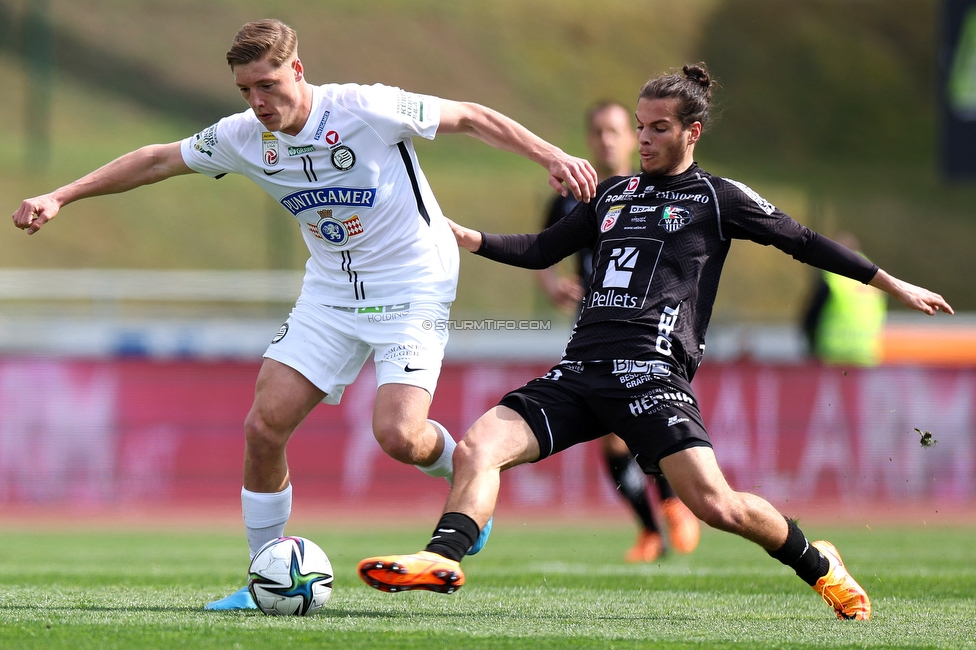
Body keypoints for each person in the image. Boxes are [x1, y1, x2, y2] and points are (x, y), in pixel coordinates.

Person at [11, 19, 597, 610]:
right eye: (245, 91)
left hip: (415, 283)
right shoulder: (243, 136)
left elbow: (469, 115)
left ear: (297, 69)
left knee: (398, 435)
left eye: (267, 85)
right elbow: (157, 160)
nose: (258, 102)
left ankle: (463, 473)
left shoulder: (366, 107)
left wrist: (550, 154)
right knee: (263, 427)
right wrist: (61, 195)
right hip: (331, 293)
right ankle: (262, 574)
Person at [357, 63, 955, 621]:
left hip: (651, 374)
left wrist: (891, 282)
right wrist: (466, 235)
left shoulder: (717, 200)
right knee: (477, 446)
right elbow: (541, 250)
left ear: (692, 132)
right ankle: (443, 558)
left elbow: (805, 242)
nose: (644, 139)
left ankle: (818, 562)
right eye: (640, 126)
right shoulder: (612, 197)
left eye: (658, 128)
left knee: (717, 507)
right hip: (581, 369)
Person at [537, 101, 698, 562]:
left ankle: (669, 506)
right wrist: (553, 286)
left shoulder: (661, 189)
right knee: (612, 439)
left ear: (631, 138)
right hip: (593, 326)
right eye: (597, 132)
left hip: (647, 329)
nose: (606, 140)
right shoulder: (570, 194)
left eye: (614, 131)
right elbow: (541, 251)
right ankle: (652, 528)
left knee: (634, 426)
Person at [802, 232, 887, 366]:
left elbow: (810, 318)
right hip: (865, 353)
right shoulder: (877, 279)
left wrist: (810, 346)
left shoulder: (832, 278)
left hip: (832, 353)